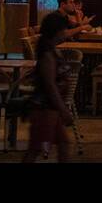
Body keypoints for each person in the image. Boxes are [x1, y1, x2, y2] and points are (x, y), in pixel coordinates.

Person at [22, 11, 76, 162]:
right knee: (36, 148)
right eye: (64, 29)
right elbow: (50, 86)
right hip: (45, 108)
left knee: (63, 143)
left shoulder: (52, 49)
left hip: (51, 108)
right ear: (57, 31)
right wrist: (63, 109)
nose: (65, 32)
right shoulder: (47, 54)